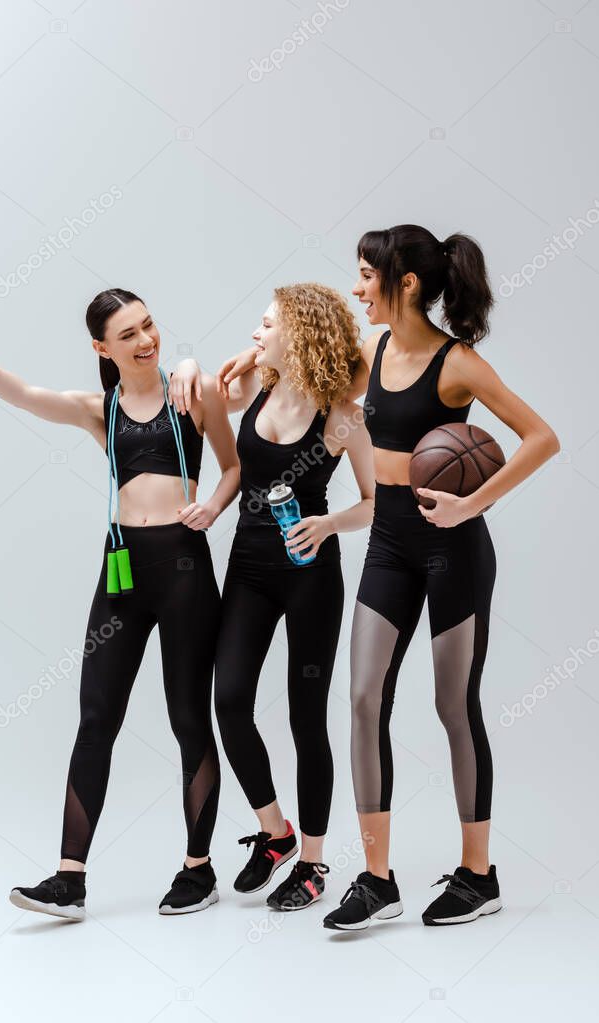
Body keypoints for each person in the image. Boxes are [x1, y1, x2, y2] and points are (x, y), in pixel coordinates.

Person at [215, 227, 560, 928]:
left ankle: (477, 874)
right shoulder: (369, 353)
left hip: (451, 548)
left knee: (451, 705)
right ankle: (376, 879)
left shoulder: (457, 363)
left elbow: (541, 436)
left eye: (366, 274)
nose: (355, 287)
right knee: (364, 698)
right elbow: (307, 381)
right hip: (387, 543)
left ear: (404, 282)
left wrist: (473, 500)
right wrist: (254, 356)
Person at [0, 287, 240, 918]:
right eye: (128, 334)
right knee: (95, 717)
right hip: (122, 574)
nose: (145, 341)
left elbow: (232, 467)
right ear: (102, 348)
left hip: (185, 568)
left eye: (149, 326)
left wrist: (212, 505)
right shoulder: (99, 409)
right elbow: (29, 397)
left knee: (189, 719)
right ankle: (69, 877)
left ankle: (198, 868)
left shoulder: (194, 393)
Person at [171, 283, 375, 912]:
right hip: (251, 567)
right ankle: (275, 831)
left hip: (312, 572)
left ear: (299, 333)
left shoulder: (343, 413)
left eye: (265, 324)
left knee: (305, 719)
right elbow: (201, 391)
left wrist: (328, 523)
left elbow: (373, 502)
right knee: (229, 701)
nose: (255, 333)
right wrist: (184, 363)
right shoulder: (253, 385)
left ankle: (313, 862)